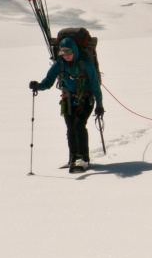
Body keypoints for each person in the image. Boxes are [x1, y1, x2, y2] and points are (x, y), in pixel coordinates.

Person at [29, 37, 104, 173]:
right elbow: (47, 83)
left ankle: (84, 159)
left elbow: (95, 86)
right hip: (68, 100)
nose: (66, 55)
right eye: (62, 53)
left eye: (68, 52)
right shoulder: (59, 64)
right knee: (70, 128)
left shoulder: (86, 64)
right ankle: (73, 158)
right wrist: (37, 86)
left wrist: (99, 105)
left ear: (74, 50)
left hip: (86, 100)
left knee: (78, 125)